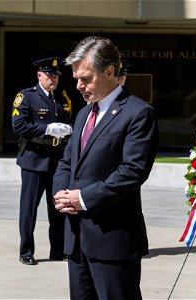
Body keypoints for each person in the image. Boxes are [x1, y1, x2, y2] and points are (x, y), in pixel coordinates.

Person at [53, 36, 158, 299]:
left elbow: (133, 170)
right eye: (77, 78)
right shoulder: (83, 114)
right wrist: (61, 194)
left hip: (113, 241)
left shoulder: (138, 113)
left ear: (109, 72)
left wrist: (84, 198)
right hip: (77, 240)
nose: (78, 86)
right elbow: (67, 161)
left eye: (85, 78)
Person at [12, 57, 73, 265]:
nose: (53, 79)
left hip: (56, 159)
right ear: (39, 75)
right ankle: (26, 250)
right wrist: (47, 129)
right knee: (29, 209)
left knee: (57, 208)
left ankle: (57, 249)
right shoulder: (27, 96)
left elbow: (68, 123)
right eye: (49, 75)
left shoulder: (61, 97)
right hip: (34, 159)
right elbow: (19, 126)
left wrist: (68, 129)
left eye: (56, 75)